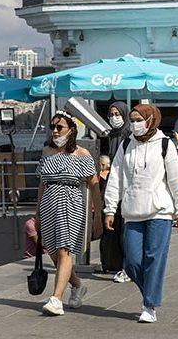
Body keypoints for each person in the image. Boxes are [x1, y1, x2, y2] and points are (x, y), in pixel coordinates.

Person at [104, 104, 178, 323]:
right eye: (131, 120)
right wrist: (110, 208)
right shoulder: (126, 144)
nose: (135, 124)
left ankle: (149, 304)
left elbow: (175, 180)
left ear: (150, 120)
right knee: (131, 262)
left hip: (159, 210)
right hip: (132, 211)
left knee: (154, 258)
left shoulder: (165, 145)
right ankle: (150, 294)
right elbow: (115, 177)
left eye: (138, 119)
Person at [36, 110, 103, 316]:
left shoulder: (82, 154)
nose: (55, 131)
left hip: (71, 203)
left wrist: (97, 215)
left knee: (64, 250)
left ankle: (56, 299)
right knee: (54, 253)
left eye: (59, 127)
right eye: (53, 127)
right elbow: (42, 184)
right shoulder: (46, 152)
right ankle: (77, 285)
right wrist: (37, 213)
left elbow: (94, 186)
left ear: (71, 130)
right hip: (49, 204)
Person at [103, 102, 132, 282]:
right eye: (111, 114)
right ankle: (118, 264)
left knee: (126, 230)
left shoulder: (129, 135)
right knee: (116, 228)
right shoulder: (112, 135)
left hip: (127, 188)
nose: (114, 117)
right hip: (114, 187)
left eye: (117, 114)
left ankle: (128, 267)